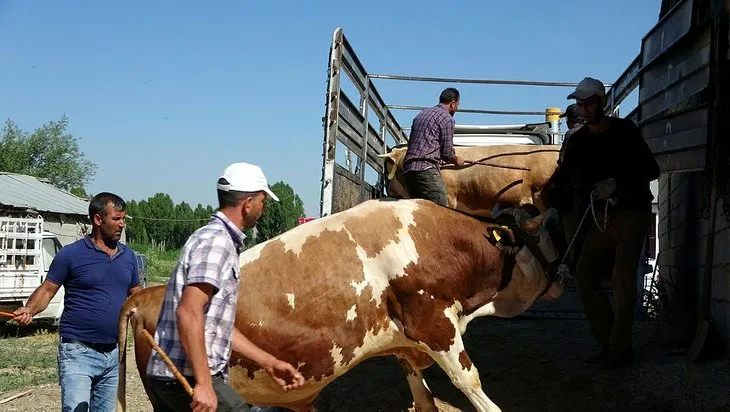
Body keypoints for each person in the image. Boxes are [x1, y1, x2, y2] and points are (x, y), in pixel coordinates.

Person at [145, 162, 306, 412]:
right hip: (184, 376)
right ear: (248, 203)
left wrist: (269, 362)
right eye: (263, 200)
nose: (264, 208)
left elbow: (217, 326)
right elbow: (188, 312)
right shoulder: (216, 242)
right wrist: (204, 383)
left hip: (179, 375)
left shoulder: (217, 240)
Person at [553, 76, 660, 370]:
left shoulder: (625, 131)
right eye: (580, 104)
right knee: (585, 277)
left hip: (630, 212)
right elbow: (563, 179)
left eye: (589, 103)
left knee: (622, 280)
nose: (584, 109)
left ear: (602, 102)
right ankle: (611, 343)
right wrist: (541, 203)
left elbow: (652, 169)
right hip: (600, 218)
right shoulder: (579, 142)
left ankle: (619, 348)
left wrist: (617, 183)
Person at [13, 192, 142, 412]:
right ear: (98, 220)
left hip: (113, 354)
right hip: (77, 351)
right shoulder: (71, 255)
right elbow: (47, 290)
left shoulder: (128, 256)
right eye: (116, 219)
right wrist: (29, 310)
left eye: (123, 219)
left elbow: (138, 297)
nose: (122, 225)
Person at [402, 87, 465, 206]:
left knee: (420, 211)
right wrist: (456, 159)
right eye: (457, 104)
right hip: (425, 169)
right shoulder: (447, 119)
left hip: (408, 170)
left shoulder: (421, 115)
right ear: (452, 103)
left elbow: (412, 143)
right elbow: (446, 153)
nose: (457, 107)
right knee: (441, 210)